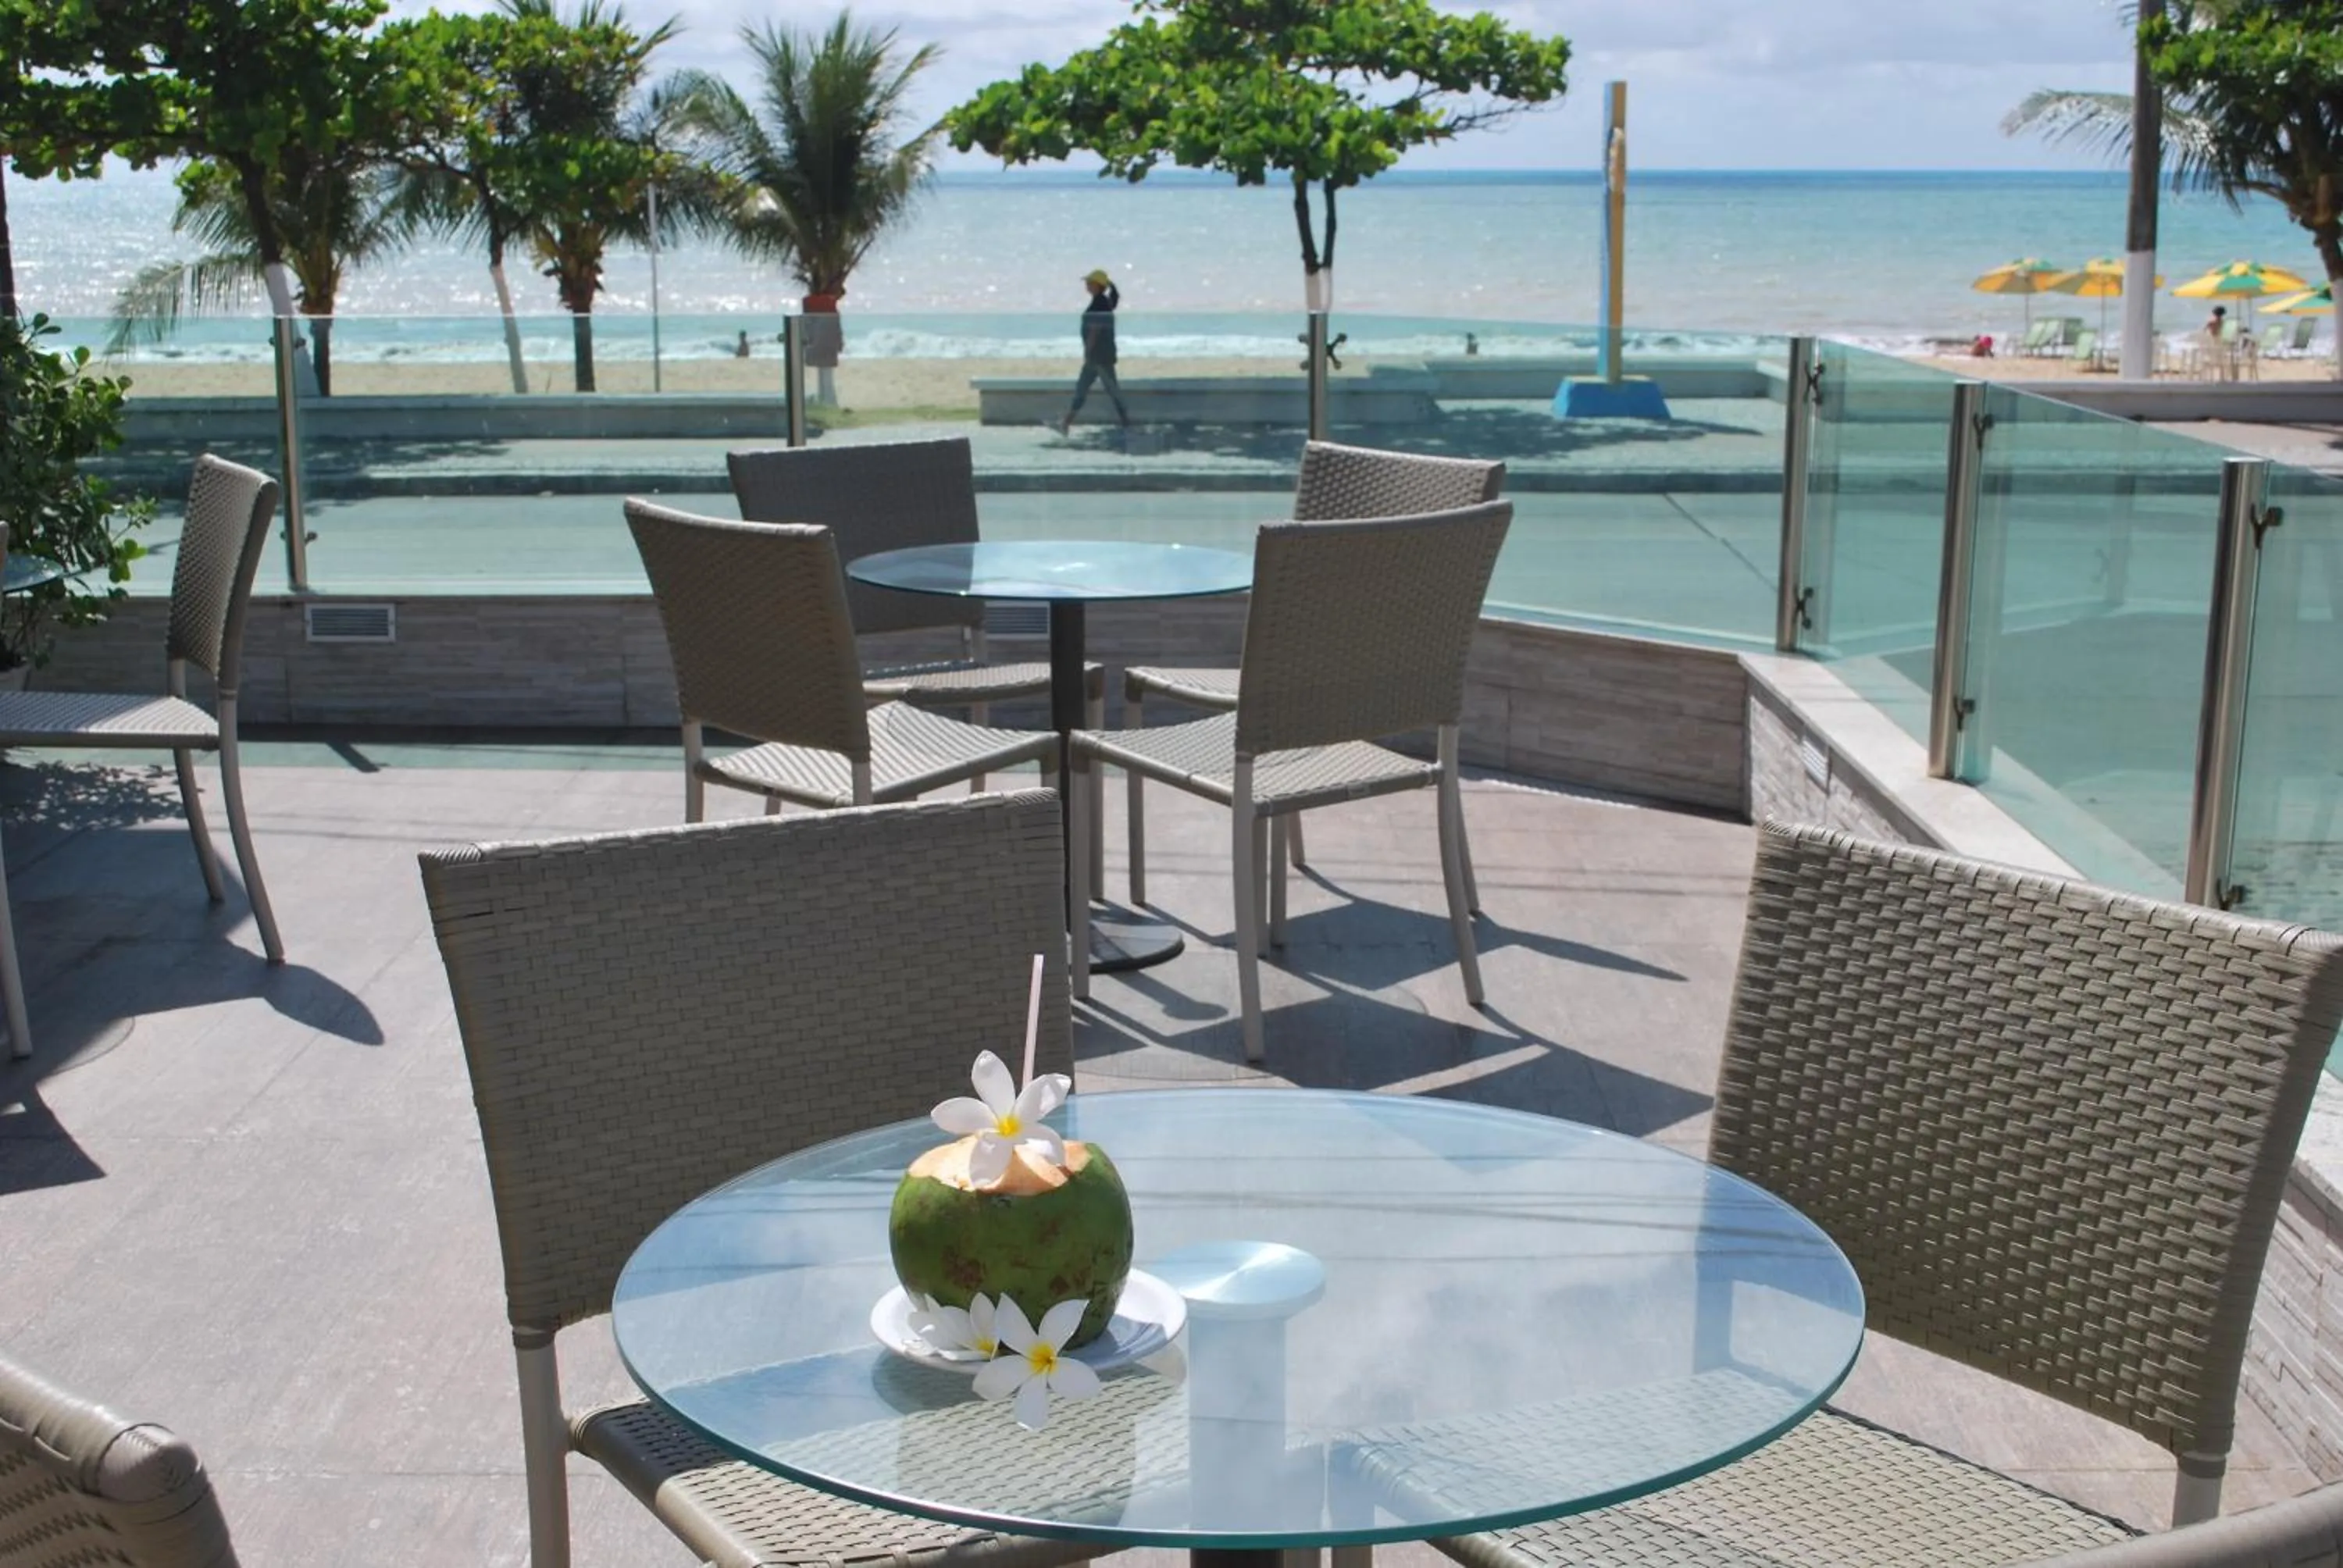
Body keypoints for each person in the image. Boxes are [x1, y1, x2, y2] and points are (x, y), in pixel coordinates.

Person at [1059, 269, 1130, 434]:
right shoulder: (1103, 302)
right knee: (1084, 389)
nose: (1087, 285)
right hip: (1100, 356)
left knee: (1110, 390)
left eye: (1090, 283)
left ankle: (1127, 424)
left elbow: (1095, 330)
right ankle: (1065, 424)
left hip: (1099, 357)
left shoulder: (1099, 304)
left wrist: (1088, 350)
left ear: (1098, 285)